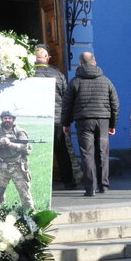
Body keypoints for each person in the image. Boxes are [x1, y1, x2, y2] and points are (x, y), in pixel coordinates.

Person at [61, 52, 119, 197]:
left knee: (87, 153)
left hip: (83, 121)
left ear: (80, 64)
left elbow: (67, 105)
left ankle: (89, 187)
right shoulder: (106, 81)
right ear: (95, 62)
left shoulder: (75, 82)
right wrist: (113, 124)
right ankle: (103, 185)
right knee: (102, 153)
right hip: (103, 120)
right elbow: (115, 104)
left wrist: (66, 124)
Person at [33, 45, 76, 190]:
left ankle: (40, 184)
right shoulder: (58, 74)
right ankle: (69, 182)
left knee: (37, 152)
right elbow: (66, 97)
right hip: (57, 118)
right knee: (62, 152)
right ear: (48, 58)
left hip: (37, 119)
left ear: (34, 58)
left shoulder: (28, 74)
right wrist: (67, 121)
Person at [0, 110, 34, 210]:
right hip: (2, 167)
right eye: (5, 118)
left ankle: (30, 213)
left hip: (17, 166)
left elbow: (27, 148)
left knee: (24, 192)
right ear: (2, 119)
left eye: (9, 118)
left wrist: (10, 144)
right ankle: (1, 211)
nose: (7, 120)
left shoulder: (20, 132)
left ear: (13, 120)